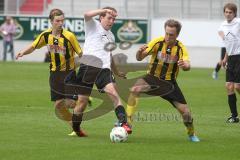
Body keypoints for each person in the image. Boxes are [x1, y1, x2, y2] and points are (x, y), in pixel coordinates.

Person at [126, 19, 200, 142]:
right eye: (166, 33)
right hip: (152, 78)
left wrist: (184, 65)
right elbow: (140, 58)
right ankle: (127, 123)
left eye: (171, 35)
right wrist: (139, 53)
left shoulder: (180, 48)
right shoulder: (157, 42)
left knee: (186, 113)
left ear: (177, 35)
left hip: (169, 84)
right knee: (135, 89)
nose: (167, 37)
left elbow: (187, 65)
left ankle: (191, 133)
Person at [15, 9, 86, 135]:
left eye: (62, 21)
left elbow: (81, 53)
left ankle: (84, 100)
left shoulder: (69, 36)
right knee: (59, 106)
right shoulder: (46, 35)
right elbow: (33, 46)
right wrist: (22, 52)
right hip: (54, 74)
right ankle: (75, 129)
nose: (60, 23)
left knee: (71, 102)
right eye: (57, 21)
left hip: (69, 73)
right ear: (51, 21)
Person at [69, 7, 132, 137]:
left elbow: (109, 55)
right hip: (88, 67)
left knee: (114, 94)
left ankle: (123, 122)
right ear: (101, 17)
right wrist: (103, 10)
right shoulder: (93, 25)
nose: (111, 21)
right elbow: (86, 14)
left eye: (113, 19)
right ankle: (76, 128)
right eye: (109, 18)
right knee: (82, 103)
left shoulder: (111, 36)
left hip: (104, 69)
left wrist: (117, 72)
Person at [218, 3, 240, 123]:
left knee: (237, 86)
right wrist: (225, 58)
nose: (228, 14)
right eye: (226, 12)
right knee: (229, 86)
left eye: (230, 12)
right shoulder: (222, 26)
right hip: (230, 58)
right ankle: (234, 116)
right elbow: (228, 43)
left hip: (239, 57)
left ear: (234, 13)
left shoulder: (238, 22)